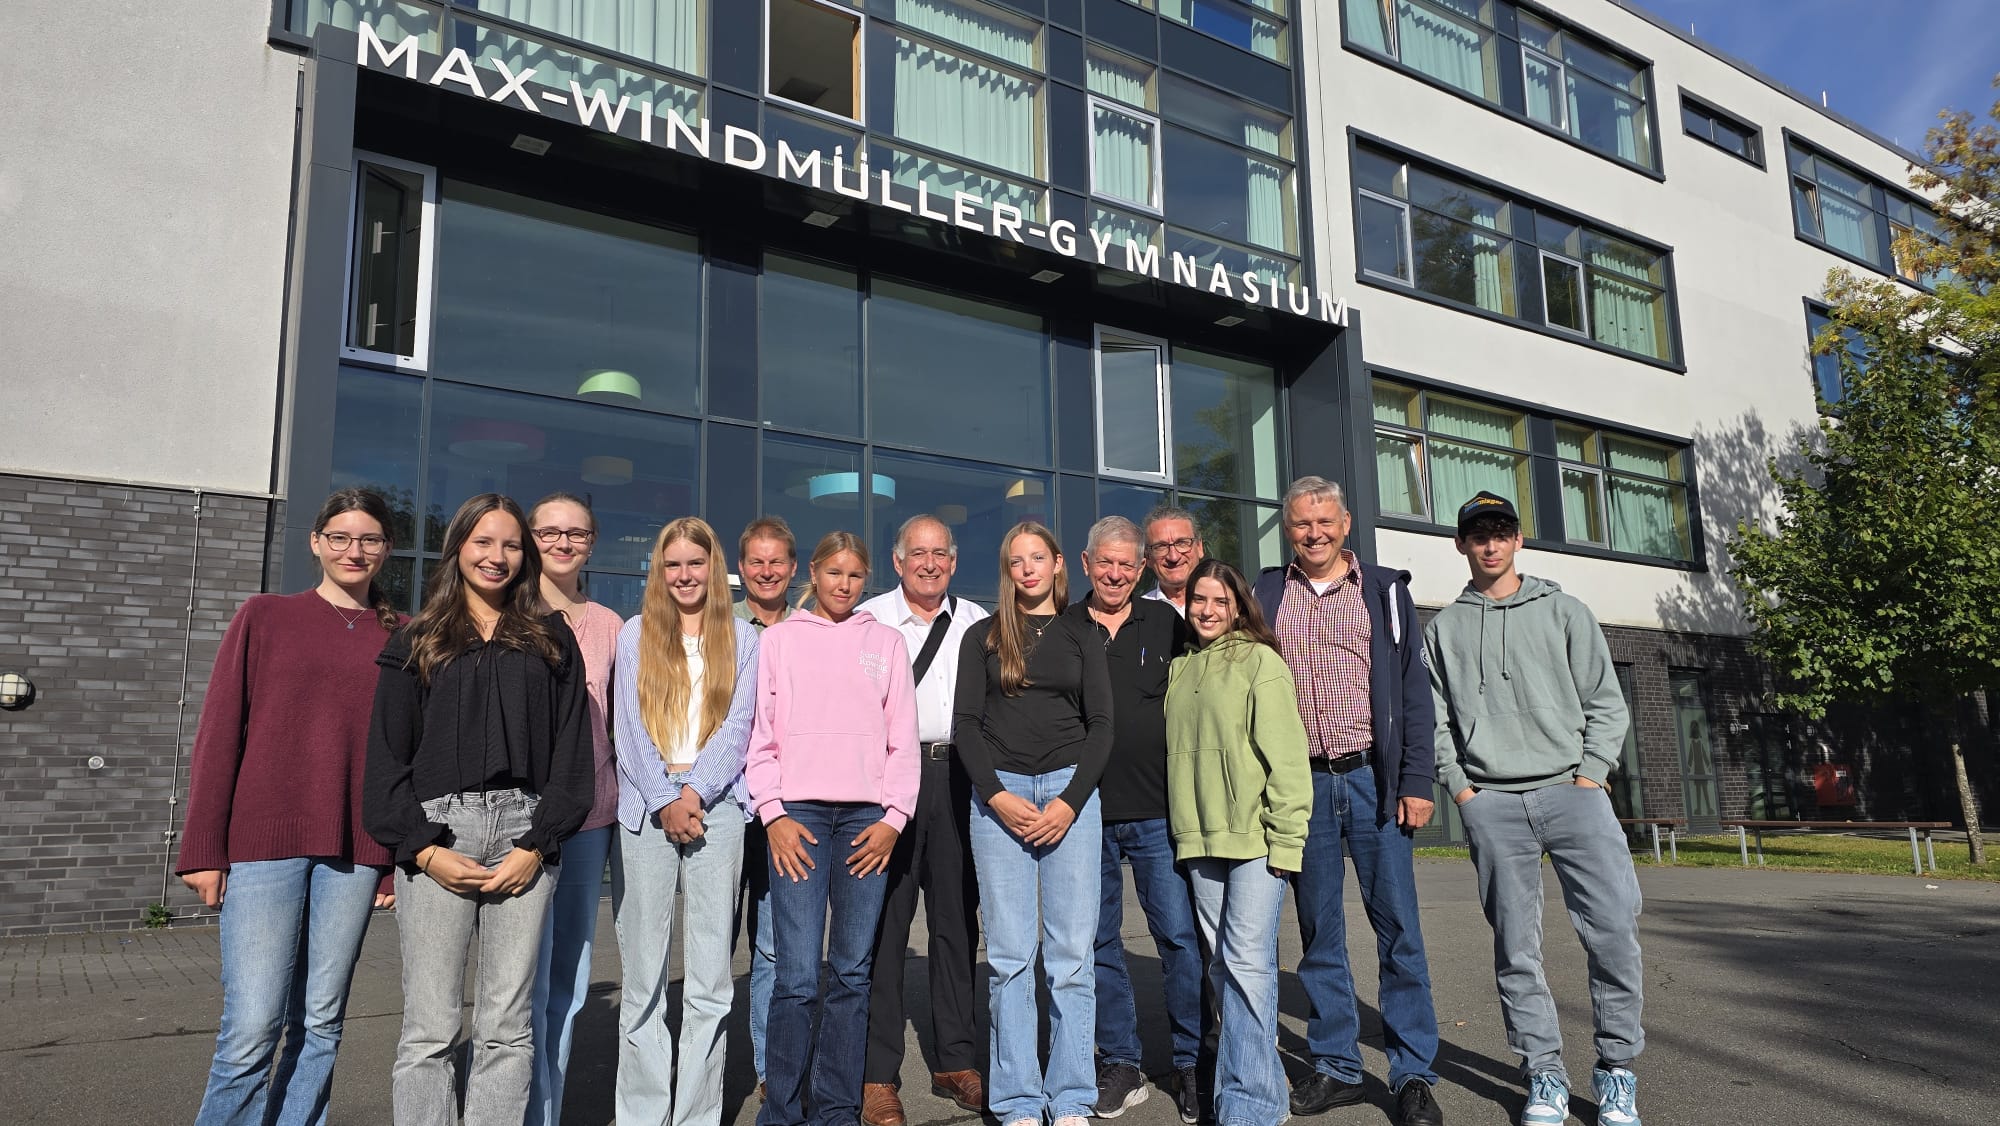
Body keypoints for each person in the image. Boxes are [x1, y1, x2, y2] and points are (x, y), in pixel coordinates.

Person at [364, 492, 594, 1126]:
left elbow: (573, 756)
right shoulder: (416, 639)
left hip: (525, 833)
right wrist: (424, 849)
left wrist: (537, 845)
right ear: (458, 547)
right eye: (483, 542)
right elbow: (386, 761)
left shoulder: (551, 639)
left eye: (511, 545)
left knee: (507, 1027)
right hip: (440, 833)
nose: (497, 556)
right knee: (429, 1028)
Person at [177, 488, 401, 1126]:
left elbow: (404, 755)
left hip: (357, 850)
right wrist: (203, 849)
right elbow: (220, 732)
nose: (354, 550)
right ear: (315, 542)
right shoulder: (265, 616)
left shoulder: (404, 635)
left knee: (322, 1023)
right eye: (340, 537)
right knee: (252, 1026)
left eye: (369, 539)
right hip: (263, 843)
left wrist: (392, 861)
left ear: (386, 548)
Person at [1424, 492, 1643, 1126]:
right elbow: (1436, 721)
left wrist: (1591, 773)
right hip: (1492, 802)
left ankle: (1616, 1070)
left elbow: (1606, 700)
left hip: (1574, 793)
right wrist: (1462, 790)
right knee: (1516, 948)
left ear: (1519, 540)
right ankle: (1544, 1072)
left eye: (1501, 532)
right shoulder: (1444, 629)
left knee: (1613, 934)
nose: (1490, 544)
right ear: (1462, 545)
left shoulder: (1565, 611)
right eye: (1478, 534)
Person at [1251, 476, 1444, 1126]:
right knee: (1318, 932)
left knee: (1399, 931)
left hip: (1372, 780)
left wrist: (1417, 780)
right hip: (1300, 785)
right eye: (1301, 524)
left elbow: (1413, 691)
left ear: (1345, 523)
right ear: (1288, 529)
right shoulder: (1268, 593)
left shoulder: (1384, 591)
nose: (1314, 533)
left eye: (1324, 522)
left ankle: (1412, 1073)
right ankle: (1338, 1066)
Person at [745, 531, 920, 1126]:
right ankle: (782, 1112)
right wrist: (773, 814)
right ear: (813, 573)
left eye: (855, 575)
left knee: (850, 973)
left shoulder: (886, 642)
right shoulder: (780, 640)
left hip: (867, 822)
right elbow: (761, 737)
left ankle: (837, 1111)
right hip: (799, 818)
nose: (844, 585)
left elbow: (903, 740)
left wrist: (894, 819)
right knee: (796, 977)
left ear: (866, 579)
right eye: (834, 573)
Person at [954, 522, 1113, 1126]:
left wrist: (1071, 801)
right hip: (1002, 797)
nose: (1027, 569)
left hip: (1071, 794)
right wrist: (995, 796)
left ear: (1058, 564)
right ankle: (1018, 1100)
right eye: (1016, 560)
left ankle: (1071, 1097)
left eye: (1037, 558)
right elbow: (966, 724)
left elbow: (1102, 725)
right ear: (1008, 570)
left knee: (1070, 956)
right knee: (1010, 955)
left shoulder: (1083, 633)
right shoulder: (983, 637)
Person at [612, 516, 761, 1126]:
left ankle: (697, 1114)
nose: (684, 575)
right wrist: (665, 798)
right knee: (643, 977)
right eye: (672, 564)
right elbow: (627, 728)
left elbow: (740, 725)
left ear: (713, 567)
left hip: (717, 808)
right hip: (647, 811)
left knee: (709, 980)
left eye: (694, 563)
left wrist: (695, 791)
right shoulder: (635, 633)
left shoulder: (744, 639)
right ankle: (643, 1115)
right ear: (659, 570)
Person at [1165, 558, 1311, 1126]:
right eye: (1198, 600)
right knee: (1222, 969)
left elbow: (1288, 760)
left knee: (1247, 965)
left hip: (1255, 841)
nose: (1207, 611)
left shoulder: (1260, 661)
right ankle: (1259, 1094)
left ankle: (1248, 1110)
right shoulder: (1180, 668)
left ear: (1238, 607)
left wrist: (1287, 842)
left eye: (1220, 601)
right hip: (1199, 840)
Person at [1069, 516, 1202, 1123]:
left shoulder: (1166, 623)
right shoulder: (1066, 626)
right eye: (1106, 562)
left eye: (1127, 563)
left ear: (1140, 568)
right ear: (1086, 563)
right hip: (1086, 811)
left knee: (1177, 937)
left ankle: (1192, 1059)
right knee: (1098, 940)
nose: (1116, 573)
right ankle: (1121, 1062)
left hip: (1156, 810)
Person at [858, 516, 989, 1126]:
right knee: (884, 928)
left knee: (956, 924)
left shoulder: (976, 622)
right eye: (918, 553)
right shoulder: (870, 620)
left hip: (957, 775)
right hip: (890, 779)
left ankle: (956, 1061)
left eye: (940, 554)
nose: (929, 563)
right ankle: (877, 1075)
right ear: (897, 560)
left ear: (954, 563)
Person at [525, 492, 624, 1126]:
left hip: (589, 819)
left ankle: (547, 1111)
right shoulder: (507, 613)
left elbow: (625, 724)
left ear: (591, 543)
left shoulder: (612, 626)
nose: (563, 543)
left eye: (577, 534)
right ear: (531, 538)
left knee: (568, 975)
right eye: (550, 532)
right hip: (518, 820)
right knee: (519, 981)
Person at [733, 515, 797, 1100]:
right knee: (714, 946)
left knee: (774, 945)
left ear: (793, 568)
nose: (767, 571)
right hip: (727, 803)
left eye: (777, 561)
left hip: (784, 808)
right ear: (741, 567)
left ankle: (769, 1066)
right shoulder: (719, 624)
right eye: (757, 561)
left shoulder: (808, 630)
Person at [1141, 505, 1205, 617]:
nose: (1173, 557)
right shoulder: (1137, 614)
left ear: (1199, 547)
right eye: (1161, 546)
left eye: (1182, 543)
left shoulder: (1228, 605)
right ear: (1148, 557)